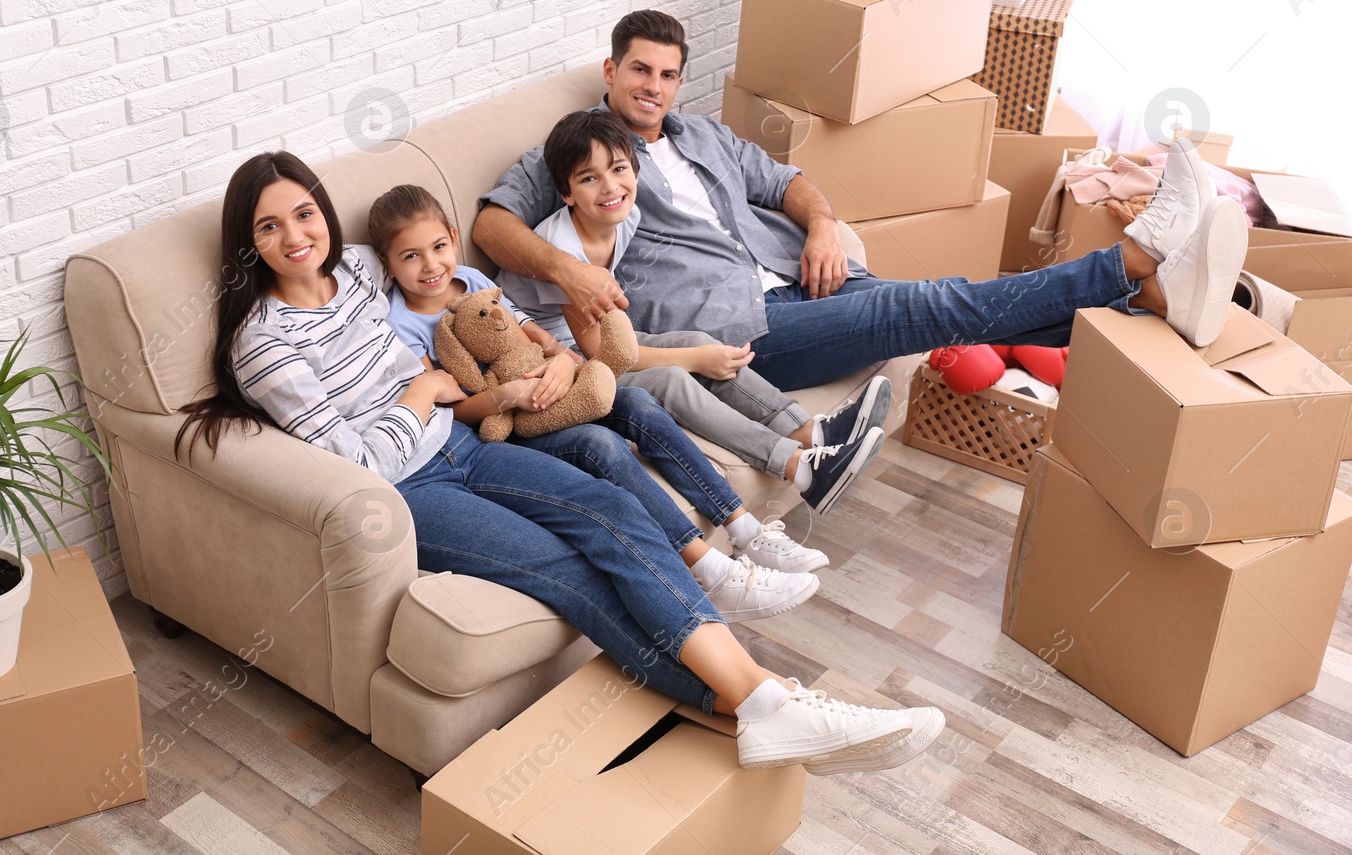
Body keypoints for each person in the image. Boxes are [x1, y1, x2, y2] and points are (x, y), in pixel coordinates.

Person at [176, 151, 946, 775]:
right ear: (248, 245)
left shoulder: (361, 271)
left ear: (323, 211)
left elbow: (440, 263)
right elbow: (353, 460)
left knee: (609, 508)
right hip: (413, 489)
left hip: (469, 443)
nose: (295, 235)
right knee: (568, 570)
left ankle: (767, 703)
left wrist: (522, 350)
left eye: (304, 212)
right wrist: (422, 390)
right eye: (268, 227)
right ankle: (763, 699)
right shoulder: (264, 342)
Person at [472, 10, 1249, 394]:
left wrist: (821, 224)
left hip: (801, 277)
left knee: (952, 303)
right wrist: (570, 275)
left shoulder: (704, 134)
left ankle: (1147, 299)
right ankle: (1133, 258)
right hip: (740, 327)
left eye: (667, 74)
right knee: (934, 302)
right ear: (611, 70)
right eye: (639, 71)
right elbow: (491, 224)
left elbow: (787, 183)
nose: (652, 88)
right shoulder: (582, 153)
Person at [367, 183, 825, 604]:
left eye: (438, 247)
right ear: (387, 264)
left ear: (451, 236)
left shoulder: (474, 280)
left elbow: (535, 341)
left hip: (555, 387)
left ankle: (743, 526)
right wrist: (509, 395)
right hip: (506, 426)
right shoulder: (400, 325)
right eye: (410, 257)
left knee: (640, 403)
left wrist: (562, 365)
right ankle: (705, 565)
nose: (431, 266)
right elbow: (451, 409)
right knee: (599, 443)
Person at [496, 108, 892, 523]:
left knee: (701, 341)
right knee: (672, 375)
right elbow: (602, 353)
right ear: (566, 193)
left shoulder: (626, 215)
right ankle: (802, 468)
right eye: (589, 178)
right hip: (554, 358)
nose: (610, 187)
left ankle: (812, 432)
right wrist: (693, 360)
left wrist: (698, 347)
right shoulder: (563, 248)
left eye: (618, 169)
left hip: (595, 339)